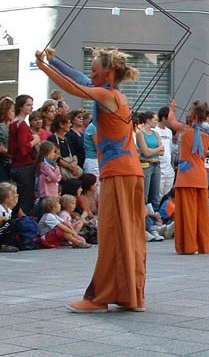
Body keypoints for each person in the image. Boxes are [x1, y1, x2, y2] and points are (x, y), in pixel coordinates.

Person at [36, 47, 146, 313]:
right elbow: (80, 80)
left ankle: (101, 297)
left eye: (95, 71)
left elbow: (76, 89)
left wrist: (42, 67)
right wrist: (55, 60)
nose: (90, 74)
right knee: (127, 235)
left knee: (111, 235)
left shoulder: (107, 95)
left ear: (108, 74)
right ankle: (132, 296)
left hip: (119, 172)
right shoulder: (110, 92)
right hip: (129, 171)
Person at [167, 100, 209, 255]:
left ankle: (189, 246)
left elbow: (171, 121)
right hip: (200, 176)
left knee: (187, 213)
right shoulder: (207, 135)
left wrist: (172, 108)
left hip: (186, 176)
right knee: (201, 214)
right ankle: (202, 245)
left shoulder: (186, 130)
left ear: (193, 116)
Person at [8, 95, 39, 214]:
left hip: (16, 166)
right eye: (28, 105)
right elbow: (24, 148)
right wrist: (35, 140)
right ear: (21, 107)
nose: (31, 107)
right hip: (24, 166)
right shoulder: (21, 125)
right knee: (26, 200)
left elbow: (11, 149)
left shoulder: (13, 124)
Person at [136, 111, 164, 211]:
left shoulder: (155, 133)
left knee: (155, 196)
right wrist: (157, 149)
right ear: (148, 120)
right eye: (155, 120)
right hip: (146, 166)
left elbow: (162, 151)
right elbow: (146, 152)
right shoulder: (140, 133)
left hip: (156, 165)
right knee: (145, 195)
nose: (157, 122)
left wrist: (150, 150)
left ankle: (155, 218)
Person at [156, 107, 175, 200]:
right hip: (159, 168)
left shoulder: (169, 132)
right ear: (164, 118)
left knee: (167, 195)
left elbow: (170, 148)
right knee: (158, 194)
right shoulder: (155, 130)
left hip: (169, 168)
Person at [0, 96, 15, 182]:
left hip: (10, 164)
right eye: (12, 111)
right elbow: (1, 148)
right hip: (4, 165)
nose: (14, 113)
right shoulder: (2, 127)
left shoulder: (11, 127)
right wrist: (14, 154)